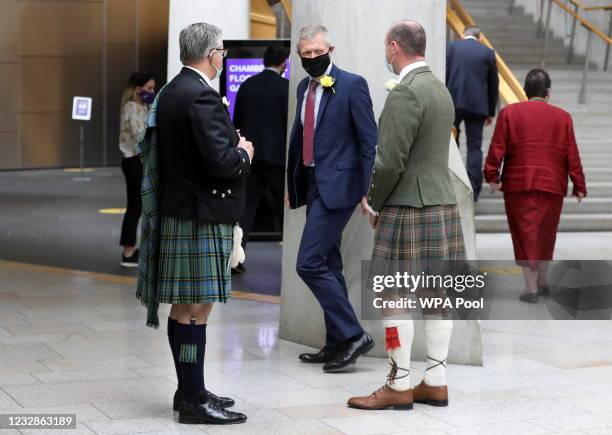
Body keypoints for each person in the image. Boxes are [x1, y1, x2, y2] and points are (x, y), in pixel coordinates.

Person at [348, 20, 465, 411]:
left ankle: (398, 383)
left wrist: (373, 202)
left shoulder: (405, 93)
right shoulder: (439, 89)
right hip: (442, 206)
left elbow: (389, 162)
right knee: (437, 295)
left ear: (394, 47)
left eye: (386, 48)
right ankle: (436, 380)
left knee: (392, 296)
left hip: (406, 208)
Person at [156, 22, 253, 425]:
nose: (223, 57)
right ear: (212, 54)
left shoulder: (172, 90)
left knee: (185, 308)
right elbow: (221, 162)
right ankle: (193, 400)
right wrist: (242, 150)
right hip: (202, 214)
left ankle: (188, 390)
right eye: (222, 52)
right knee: (195, 311)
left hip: (183, 209)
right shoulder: (201, 96)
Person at [286, 25, 378, 372]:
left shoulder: (352, 84)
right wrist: (292, 183)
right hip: (311, 184)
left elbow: (370, 141)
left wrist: (370, 189)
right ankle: (336, 341)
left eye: (316, 52)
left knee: (308, 263)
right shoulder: (302, 87)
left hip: (339, 189)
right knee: (329, 264)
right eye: (305, 54)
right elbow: (300, 138)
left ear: (330, 49)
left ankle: (354, 335)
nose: (311, 58)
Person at [484, 69, 587, 304]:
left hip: (518, 185)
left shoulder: (509, 113)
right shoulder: (563, 117)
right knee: (545, 234)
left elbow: (497, 147)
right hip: (552, 185)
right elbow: (572, 154)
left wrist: (491, 175)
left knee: (524, 236)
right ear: (548, 92)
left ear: (525, 90)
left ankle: (531, 289)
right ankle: (542, 283)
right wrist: (579, 185)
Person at [233, 46, 290, 273]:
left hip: (251, 158)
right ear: (283, 64)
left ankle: (236, 259)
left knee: (246, 207)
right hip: (277, 159)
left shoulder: (247, 86)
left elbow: (237, 121)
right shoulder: (286, 87)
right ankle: (293, 261)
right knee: (285, 209)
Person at [446, 26, 499, 201]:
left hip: (453, 102)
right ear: (480, 38)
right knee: (474, 147)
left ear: (463, 35)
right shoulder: (487, 53)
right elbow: (493, 85)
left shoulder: (451, 47)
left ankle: (451, 183)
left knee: (450, 143)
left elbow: (445, 75)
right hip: (478, 106)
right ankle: (474, 189)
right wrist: (491, 111)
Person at [118, 72, 155, 267]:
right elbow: (140, 135)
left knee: (137, 206)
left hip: (138, 161)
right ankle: (128, 250)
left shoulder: (142, 106)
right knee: (135, 207)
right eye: (148, 89)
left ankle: (131, 247)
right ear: (137, 89)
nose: (152, 92)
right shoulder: (132, 107)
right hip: (133, 161)